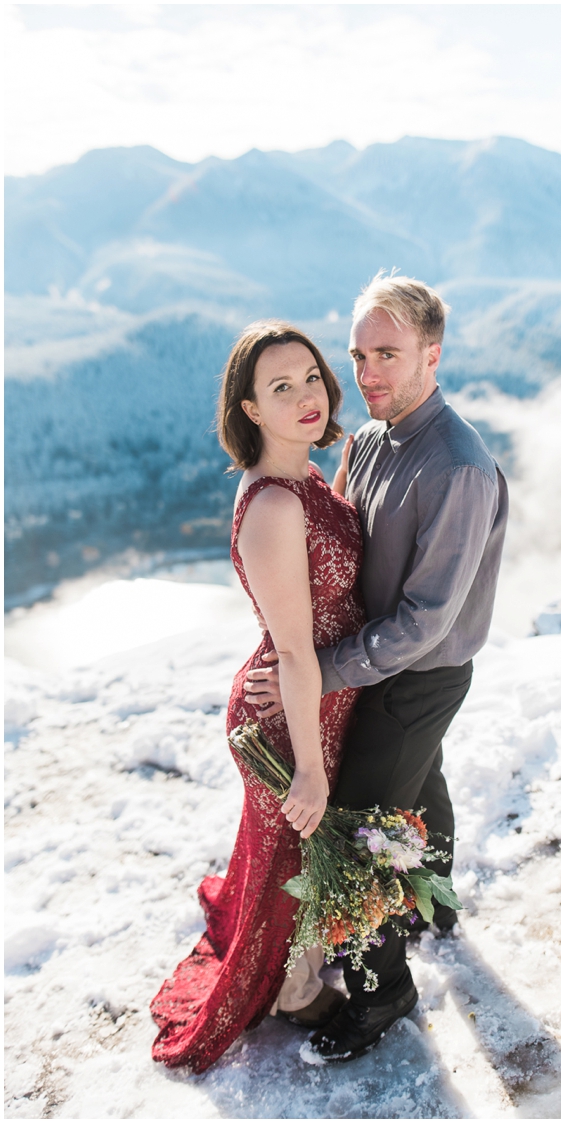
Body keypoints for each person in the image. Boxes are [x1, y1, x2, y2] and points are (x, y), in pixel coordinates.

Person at [246, 272, 509, 1062]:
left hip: (417, 674)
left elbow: (426, 622)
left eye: (387, 354)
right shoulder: (365, 442)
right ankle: (439, 901)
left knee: (361, 828)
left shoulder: (458, 468)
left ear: (433, 353)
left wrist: (320, 669)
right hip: (371, 666)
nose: (367, 375)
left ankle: (382, 989)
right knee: (418, 784)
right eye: (359, 355)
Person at [151, 322, 362, 1073]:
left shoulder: (308, 475)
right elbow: (297, 651)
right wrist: (307, 766)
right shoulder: (274, 506)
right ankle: (290, 992)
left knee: (294, 856)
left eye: (311, 375)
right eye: (281, 387)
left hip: (315, 698)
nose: (307, 395)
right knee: (290, 861)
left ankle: (300, 964)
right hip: (286, 717)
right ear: (249, 409)